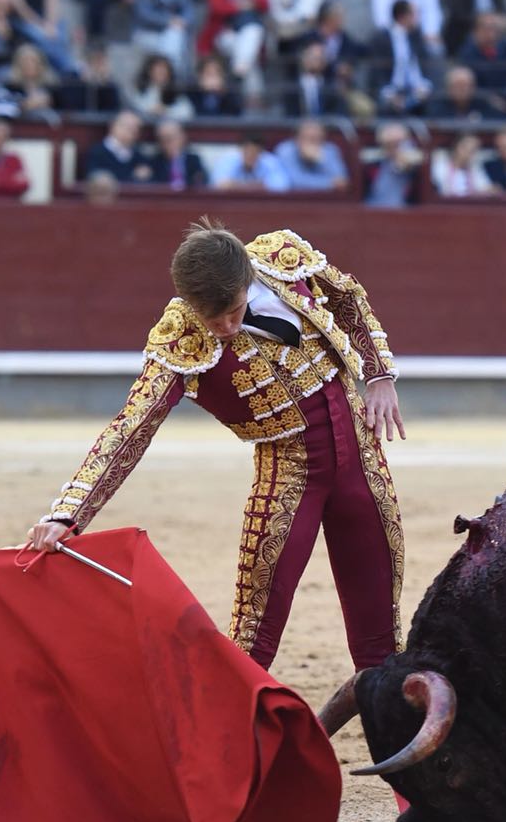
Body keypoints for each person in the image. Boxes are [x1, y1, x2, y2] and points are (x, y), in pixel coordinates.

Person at [23, 221, 406, 676]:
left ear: (247, 281)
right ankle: (230, 741)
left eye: (234, 311)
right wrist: (69, 513)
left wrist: (379, 374)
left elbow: (347, 297)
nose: (224, 327)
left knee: (380, 629)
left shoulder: (284, 257)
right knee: (254, 632)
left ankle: (398, 736)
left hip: (363, 461)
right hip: (289, 472)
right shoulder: (180, 336)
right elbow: (132, 426)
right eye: (212, 319)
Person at [200, 0, 271, 99]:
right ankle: (252, 99)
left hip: (247, 33)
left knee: (253, 33)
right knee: (250, 48)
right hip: (224, 31)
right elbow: (216, 5)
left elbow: (265, 6)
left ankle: (240, 73)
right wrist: (239, 6)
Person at [371, 0, 434, 115]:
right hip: (390, 91)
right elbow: (376, 71)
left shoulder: (416, 36)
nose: (416, 18)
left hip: (416, 91)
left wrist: (424, 87)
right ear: (402, 16)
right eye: (414, 14)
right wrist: (390, 95)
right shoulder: (381, 38)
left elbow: (425, 66)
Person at [274, 119, 350, 192]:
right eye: (308, 138)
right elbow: (293, 182)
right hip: (294, 200)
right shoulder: (286, 150)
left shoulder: (330, 150)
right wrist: (330, 184)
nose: (312, 143)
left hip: (327, 200)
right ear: (297, 138)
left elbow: (341, 182)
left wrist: (321, 161)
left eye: (317, 138)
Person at [364, 122, 424, 207]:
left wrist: (398, 149)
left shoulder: (410, 153)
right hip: (372, 206)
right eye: (389, 144)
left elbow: (403, 164)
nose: (392, 146)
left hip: (398, 208)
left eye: (396, 143)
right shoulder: (377, 160)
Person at [84, 109, 152, 182]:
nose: (133, 131)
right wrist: (133, 177)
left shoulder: (139, 155)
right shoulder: (97, 152)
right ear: (113, 126)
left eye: (137, 128)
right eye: (129, 126)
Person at [54, 42, 125, 114]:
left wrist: (103, 86)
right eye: (96, 61)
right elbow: (69, 107)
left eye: (102, 62)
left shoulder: (110, 85)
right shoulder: (69, 80)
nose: (99, 66)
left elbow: (113, 111)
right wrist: (86, 83)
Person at [283, 41, 346, 118]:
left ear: (325, 62)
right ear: (303, 59)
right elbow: (287, 114)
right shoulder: (290, 87)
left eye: (320, 57)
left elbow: (339, 113)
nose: (316, 60)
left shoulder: (333, 87)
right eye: (312, 56)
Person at [130, 53, 196, 122]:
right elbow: (134, 108)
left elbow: (187, 112)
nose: (161, 72)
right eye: (158, 68)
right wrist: (150, 110)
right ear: (149, 71)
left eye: (165, 68)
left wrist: (167, 111)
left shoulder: (176, 92)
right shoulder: (140, 90)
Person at [214, 132, 290, 191]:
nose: (250, 155)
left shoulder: (270, 162)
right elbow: (218, 185)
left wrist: (236, 185)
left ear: (261, 152)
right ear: (240, 149)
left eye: (254, 152)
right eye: (246, 151)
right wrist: (256, 186)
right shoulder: (229, 159)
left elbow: (282, 187)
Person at [4, 43, 63, 118]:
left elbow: (65, 108)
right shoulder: (11, 86)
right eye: (25, 61)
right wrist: (23, 105)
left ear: (41, 64)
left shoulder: (53, 87)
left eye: (33, 61)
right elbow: (5, 108)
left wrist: (49, 100)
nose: (29, 65)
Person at [425, 65, 504, 120]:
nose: (462, 90)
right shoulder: (438, 105)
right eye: (457, 85)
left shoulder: (484, 101)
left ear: (473, 87)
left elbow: (499, 121)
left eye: (466, 85)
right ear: (448, 88)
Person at [148, 118, 209, 189]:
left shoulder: (193, 160)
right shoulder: (155, 162)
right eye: (162, 139)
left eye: (171, 138)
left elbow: (202, 181)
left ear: (182, 137)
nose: (167, 143)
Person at [431, 132, 494, 198]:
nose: (471, 154)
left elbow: (485, 188)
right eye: (469, 149)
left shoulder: (475, 169)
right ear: (457, 147)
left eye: (474, 150)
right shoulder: (440, 167)